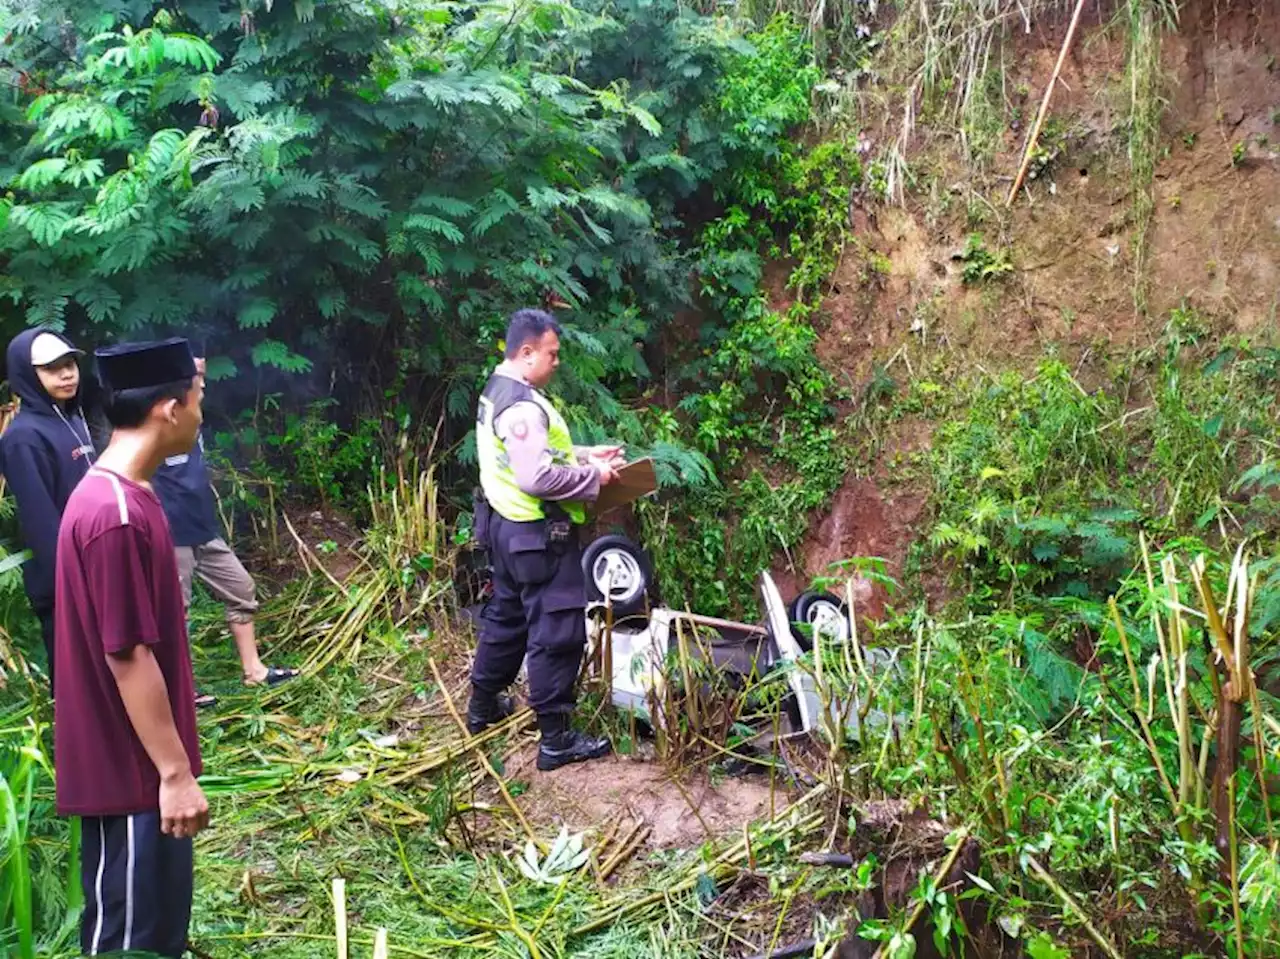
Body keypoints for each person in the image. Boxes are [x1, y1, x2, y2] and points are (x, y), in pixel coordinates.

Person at [53, 338, 209, 957]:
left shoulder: (130, 494)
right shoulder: (114, 513)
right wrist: (172, 774)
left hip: (144, 773)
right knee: (126, 941)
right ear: (169, 409)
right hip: (132, 775)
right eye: (197, 401)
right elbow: (128, 655)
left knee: (158, 935)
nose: (201, 415)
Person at [468, 308, 623, 771]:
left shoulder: (498, 391)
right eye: (552, 354)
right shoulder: (522, 406)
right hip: (538, 536)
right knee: (556, 631)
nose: (557, 362)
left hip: (505, 531)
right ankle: (556, 742)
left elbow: (529, 453)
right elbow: (535, 475)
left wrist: (583, 453)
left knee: (507, 620)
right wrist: (592, 475)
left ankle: (482, 710)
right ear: (527, 351)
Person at [152, 354, 297, 703]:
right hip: (172, 535)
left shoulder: (195, 422)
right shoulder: (157, 423)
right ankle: (180, 691)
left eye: (203, 373)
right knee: (176, 611)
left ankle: (254, 672)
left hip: (204, 528)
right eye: (195, 374)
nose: (202, 380)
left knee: (241, 588)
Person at [0, 329, 96, 691]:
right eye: (53, 368)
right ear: (27, 374)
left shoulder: (72, 419)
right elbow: (41, 521)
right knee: (77, 682)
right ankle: (76, 746)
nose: (67, 373)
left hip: (94, 564)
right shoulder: (23, 437)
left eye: (70, 364)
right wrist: (73, 582)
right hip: (65, 580)